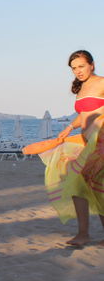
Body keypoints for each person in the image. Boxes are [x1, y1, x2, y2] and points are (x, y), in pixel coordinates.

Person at [37, 50, 104, 246]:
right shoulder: (81, 88)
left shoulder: (102, 83)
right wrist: (69, 127)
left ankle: (84, 234)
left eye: (81, 66)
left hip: (101, 141)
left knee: (84, 182)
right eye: (74, 68)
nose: (78, 71)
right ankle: (83, 233)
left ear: (92, 65)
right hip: (86, 141)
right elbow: (84, 114)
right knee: (86, 185)